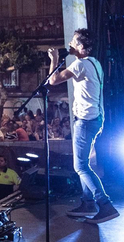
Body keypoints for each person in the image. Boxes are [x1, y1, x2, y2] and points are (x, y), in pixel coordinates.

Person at [48, 28, 117, 222]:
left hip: (85, 121)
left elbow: (53, 80)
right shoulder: (95, 63)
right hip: (95, 119)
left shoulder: (80, 64)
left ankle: (105, 204)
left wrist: (54, 59)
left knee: (80, 166)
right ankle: (88, 203)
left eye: (72, 41)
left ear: (79, 45)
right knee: (85, 163)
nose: (69, 44)